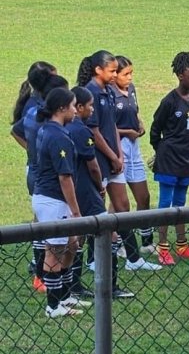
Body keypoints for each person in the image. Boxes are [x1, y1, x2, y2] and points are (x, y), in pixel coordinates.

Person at [78, 50, 161, 271]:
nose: (115, 75)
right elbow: (94, 131)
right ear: (98, 70)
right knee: (97, 210)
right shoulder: (91, 92)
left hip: (113, 158)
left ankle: (133, 259)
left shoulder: (108, 91)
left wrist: (119, 154)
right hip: (99, 159)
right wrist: (113, 155)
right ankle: (93, 259)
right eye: (112, 70)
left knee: (122, 206)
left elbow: (112, 125)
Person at [68, 86, 135, 299]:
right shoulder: (82, 131)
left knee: (78, 237)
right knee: (110, 236)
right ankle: (110, 287)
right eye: (89, 106)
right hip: (88, 191)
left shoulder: (64, 128)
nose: (92, 109)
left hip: (74, 190)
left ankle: (73, 285)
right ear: (78, 107)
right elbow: (93, 167)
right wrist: (100, 185)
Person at [32, 87, 90, 317]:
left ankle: (64, 297)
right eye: (74, 105)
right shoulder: (58, 136)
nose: (76, 110)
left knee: (71, 246)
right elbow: (65, 178)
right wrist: (76, 213)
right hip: (53, 200)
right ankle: (53, 306)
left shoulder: (48, 130)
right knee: (54, 250)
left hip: (48, 198)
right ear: (61, 108)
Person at [150, 52, 189, 265]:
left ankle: (182, 245)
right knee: (166, 203)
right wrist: (162, 151)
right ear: (179, 75)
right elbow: (155, 130)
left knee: (181, 202)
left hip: (186, 159)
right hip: (168, 159)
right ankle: (163, 247)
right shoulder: (169, 101)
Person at [11, 62, 59, 293]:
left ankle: (40, 265)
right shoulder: (36, 107)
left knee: (40, 219)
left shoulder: (38, 104)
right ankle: (41, 271)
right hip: (40, 172)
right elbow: (17, 132)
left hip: (37, 170)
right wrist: (37, 150)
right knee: (43, 222)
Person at [111, 56, 154, 253]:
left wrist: (140, 124)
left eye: (131, 73)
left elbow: (135, 111)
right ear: (114, 76)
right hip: (118, 149)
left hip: (134, 147)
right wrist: (126, 132)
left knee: (143, 197)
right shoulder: (109, 94)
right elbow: (105, 128)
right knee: (119, 203)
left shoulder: (131, 89)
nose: (130, 78)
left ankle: (146, 242)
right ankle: (117, 242)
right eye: (125, 74)